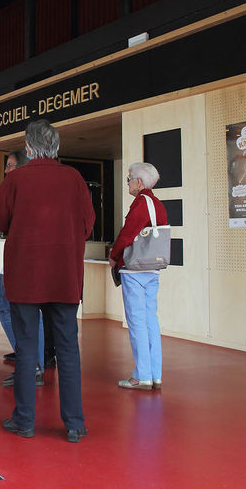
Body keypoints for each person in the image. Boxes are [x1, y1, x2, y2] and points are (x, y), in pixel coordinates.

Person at [0, 119, 94, 444]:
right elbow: (88, 223)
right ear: (57, 147)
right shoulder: (75, 178)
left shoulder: (17, 178)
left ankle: (24, 420)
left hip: (25, 275)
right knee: (67, 349)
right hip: (64, 276)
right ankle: (74, 424)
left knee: (26, 348)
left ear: (30, 148)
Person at [110, 162, 168, 391]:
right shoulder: (158, 205)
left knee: (136, 322)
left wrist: (114, 256)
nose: (127, 182)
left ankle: (141, 375)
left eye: (129, 178)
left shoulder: (140, 203)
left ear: (139, 182)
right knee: (150, 320)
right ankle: (155, 374)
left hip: (134, 269)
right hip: (152, 268)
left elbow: (127, 235)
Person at [0, 150, 44, 387]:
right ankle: (36, 364)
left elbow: (0, 220)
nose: (6, 170)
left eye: (10, 166)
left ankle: (30, 364)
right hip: (38, 262)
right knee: (35, 316)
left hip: (18, 263)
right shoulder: (41, 193)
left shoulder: (14, 191)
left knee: (5, 310)